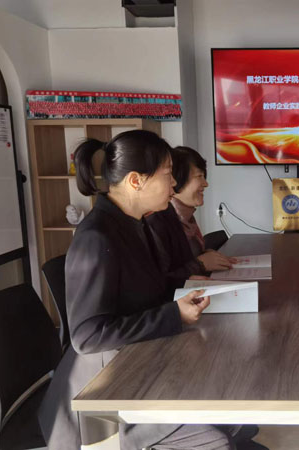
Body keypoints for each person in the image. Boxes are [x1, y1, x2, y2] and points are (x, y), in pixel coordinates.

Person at [38, 130, 236, 450]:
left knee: (227, 404)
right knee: (214, 440)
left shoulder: (135, 223)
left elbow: (147, 286)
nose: (174, 184)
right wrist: (173, 314)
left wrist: (188, 286)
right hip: (103, 402)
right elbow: (88, 336)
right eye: (168, 174)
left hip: (137, 368)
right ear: (135, 181)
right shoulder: (97, 237)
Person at [147, 146, 235, 283]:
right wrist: (200, 264)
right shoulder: (156, 222)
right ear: (176, 179)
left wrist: (207, 256)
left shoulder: (186, 217)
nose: (205, 184)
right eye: (199, 176)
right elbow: (158, 281)